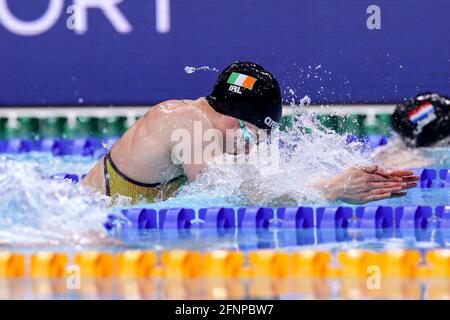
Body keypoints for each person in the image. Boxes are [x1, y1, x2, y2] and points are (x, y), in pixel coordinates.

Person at [82, 61, 418, 204]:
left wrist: (348, 181)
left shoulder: (203, 123)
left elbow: (266, 185)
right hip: (85, 230)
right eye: (253, 138)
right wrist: (331, 189)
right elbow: (234, 196)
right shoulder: (188, 123)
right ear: (237, 122)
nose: (250, 149)